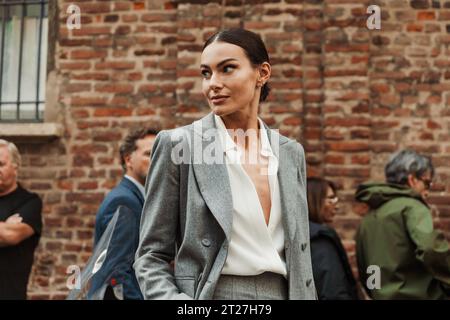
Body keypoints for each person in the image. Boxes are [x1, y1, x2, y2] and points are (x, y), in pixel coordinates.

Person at [134, 28, 316, 300]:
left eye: (227, 69)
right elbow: (150, 256)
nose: (212, 84)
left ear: (262, 73)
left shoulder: (290, 153)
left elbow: (301, 259)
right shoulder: (180, 145)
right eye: (206, 73)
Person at [355, 149, 450, 299]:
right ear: (412, 179)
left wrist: (377, 292)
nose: (427, 192)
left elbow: (367, 267)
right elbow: (430, 248)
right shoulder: (412, 207)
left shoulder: (369, 218)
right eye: (427, 183)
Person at [92, 128, 158, 300]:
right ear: (128, 160)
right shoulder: (123, 201)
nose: (157, 160)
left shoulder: (138, 197)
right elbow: (118, 271)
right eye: (149, 154)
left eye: (160, 154)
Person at [0, 139, 42, 300]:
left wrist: (6, 231)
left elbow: (9, 236)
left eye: (1, 164)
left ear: (16, 166)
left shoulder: (29, 202)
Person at [307, 177, 359, 300]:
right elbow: (333, 292)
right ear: (313, 200)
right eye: (330, 198)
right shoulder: (320, 240)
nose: (336, 205)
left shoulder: (305, 236)